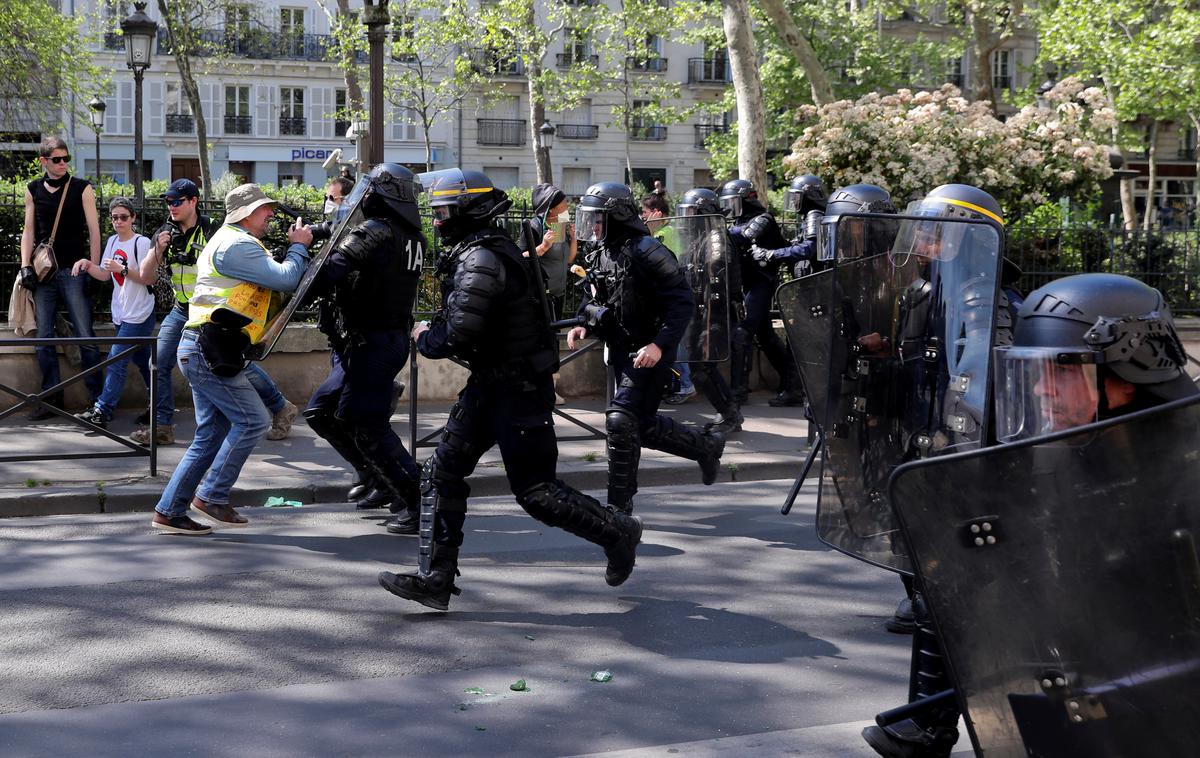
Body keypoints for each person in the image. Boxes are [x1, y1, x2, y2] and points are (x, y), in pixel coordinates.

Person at [377, 169, 643, 610]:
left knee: (537, 492)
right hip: (491, 384)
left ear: (469, 209)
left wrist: (425, 336)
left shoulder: (482, 258)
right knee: (440, 475)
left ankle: (618, 531)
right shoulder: (478, 250)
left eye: (445, 211)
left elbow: (458, 332)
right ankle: (436, 579)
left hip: (518, 388)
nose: (439, 219)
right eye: (437, 211)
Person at [151, 184, 312, 535]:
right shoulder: (235, 244)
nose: (270, 214)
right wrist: (299, 246)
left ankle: (170, 511)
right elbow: (285, 279)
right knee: (252, 420)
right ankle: (211, 496)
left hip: (208, 347)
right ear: (244, 213)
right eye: (264, 208)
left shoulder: (232, 241)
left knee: (210, 434)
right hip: (210, 350)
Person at [567, 182, 726, 514]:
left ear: (617, 217)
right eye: (591, 219)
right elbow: (592, 295)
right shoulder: (599, 251)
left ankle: (618, 511)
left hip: (650, 353)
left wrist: (658, 345)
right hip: (622, 350)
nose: (594, 226)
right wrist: (583, 322)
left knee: (621, 421)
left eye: (599, 219)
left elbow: (683, 303)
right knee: (637, 424)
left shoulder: (647, 250)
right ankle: (705, 445)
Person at [303, 164, 425, 534]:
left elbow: (328, 273)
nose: (363, 197)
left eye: (369, 191)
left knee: (368, 425)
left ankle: (417, 499)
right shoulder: (409, 235)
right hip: (366, 341)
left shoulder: (377, 231)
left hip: (373, 343)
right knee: (323, 412)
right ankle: (377, 478)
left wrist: (298, 253)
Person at [133, 179, 297, 446]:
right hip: (181, 310)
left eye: (177, 201)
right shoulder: (164, 232)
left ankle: (279, 406)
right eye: (168, 202)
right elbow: (146, 276)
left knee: (238, 364)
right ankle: (162, 425)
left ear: (193, 201)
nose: (171, 207)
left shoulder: (213, 230)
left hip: (214, 313)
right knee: (160, 361)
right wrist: (158, 250)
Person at [18, 136, 103, 420]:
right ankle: (51, 398)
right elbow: (28, 230)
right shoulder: (32, 189)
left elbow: (94, 230)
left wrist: (93, 267)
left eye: (66, 158)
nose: (63, 163)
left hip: (75, 271)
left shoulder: (81, 188)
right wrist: (25, 266)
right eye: (57, 159)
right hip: (44, 274)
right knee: (44, 337)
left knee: (85, 334)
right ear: (43, 161)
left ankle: (98, 400)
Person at [718, 178, 804, 407]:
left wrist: (719, 228)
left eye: (733, 202)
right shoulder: (737, 222)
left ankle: (737, 393)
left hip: (762, 282)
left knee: (743, 334)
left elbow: (745, 235)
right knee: (765, 335)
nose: (730, 208)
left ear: (747, 199)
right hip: (745, 283)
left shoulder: (763, 219)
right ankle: (792, 383)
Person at [72, 198, 154, 428]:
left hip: (139, 313)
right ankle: (159, 405)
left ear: (133, 218)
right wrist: (88, 264)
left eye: (124, 217)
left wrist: (123, 269)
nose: (119, 221)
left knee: (116, 361)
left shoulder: (142, 242)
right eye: (115, 217)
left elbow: (150, 278)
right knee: (144, 361)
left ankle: (102, 410)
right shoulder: (112, 241)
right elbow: (105, 275)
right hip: (121, 312)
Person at [673, 187, 745, 433]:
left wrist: (707, 314)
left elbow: (716, 269)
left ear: (703, 211)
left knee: (703, 368)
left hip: (716, 313)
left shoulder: (716, 238)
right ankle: (730, 413)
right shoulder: (704, 237)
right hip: (705, 311)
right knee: (701, 367)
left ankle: (729, 415)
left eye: (692, 212)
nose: (687, 218)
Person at [639, 194, 694, 405]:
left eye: (645, 213)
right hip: (666, 293)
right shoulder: (666, 231)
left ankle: (686, 383)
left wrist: (649, 231)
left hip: (669, 294)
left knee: (674, 341)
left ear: (657, 214)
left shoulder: (664, 233)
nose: (642, 218)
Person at [520, 183, 578, 319]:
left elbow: (567, 259)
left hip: (558, 297)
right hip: (539, 298)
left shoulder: (560, 224)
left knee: (554, 337)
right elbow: (520, 257)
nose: (567, 207)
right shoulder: (535, 226)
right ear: (551, 209)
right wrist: (543, 247)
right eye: (564, 205)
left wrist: (574, 239)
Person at [751, 174, 828, 277]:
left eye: (797, 197)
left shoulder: (814, 215)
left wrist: (771, 254)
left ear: (809, 196)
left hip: (817, 282)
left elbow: (808, 249)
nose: (793, 201)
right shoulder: (811, 215)